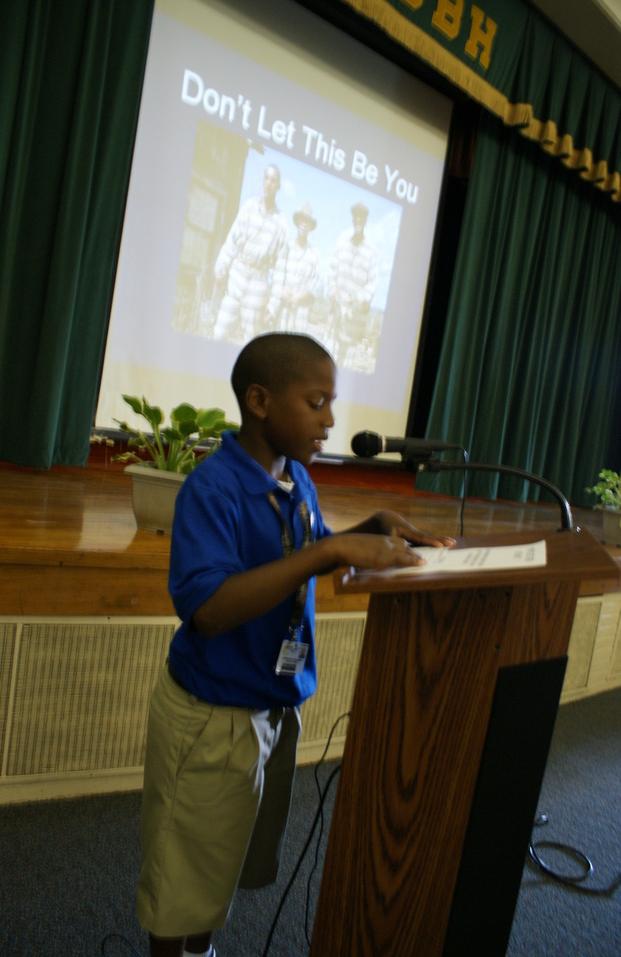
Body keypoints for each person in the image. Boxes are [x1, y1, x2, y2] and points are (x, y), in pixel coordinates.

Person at [136, 332, 455, 957]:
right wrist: (329, 551)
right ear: (259, 400)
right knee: (185, 880)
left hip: (272, 707)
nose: (331, 420)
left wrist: (370, 530)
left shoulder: (296, 479)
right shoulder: (213, 488)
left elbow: (304, 547)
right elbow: (208, 610)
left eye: (332, 402)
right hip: (212, 717)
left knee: (221, 862)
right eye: (317, 402)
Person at [212, 164, 288, 343]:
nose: (268, 184)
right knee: (219, 332)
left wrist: (273, 305)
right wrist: (221, 266)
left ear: (278, 186)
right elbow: (231, 241)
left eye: (273, 180)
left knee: (250, 341)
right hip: (238, 273)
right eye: (266, 178)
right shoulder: (249, 207)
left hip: (258, 282)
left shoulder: (281, 223)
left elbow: (280, 269)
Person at [328, 202, 379, 365]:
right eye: (356, 216)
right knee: (328, 364)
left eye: (361, 217)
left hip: (354, 321)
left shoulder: (371, 252)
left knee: (347, 368)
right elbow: (331, 273)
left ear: (365, 221)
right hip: (335, 318)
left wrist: (355, 299)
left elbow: (372, 285)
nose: (358, 220)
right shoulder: (341, 243)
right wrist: (334, 292)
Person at [269, 201, 319, 333]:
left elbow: (315, 285)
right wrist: (283, 290)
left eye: (307, 222)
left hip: (301, 310)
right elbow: (277, 276)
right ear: (297, 223)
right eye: (301, 221)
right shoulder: (287, 248)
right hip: (284, 306)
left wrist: (299, 297)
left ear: (310, 226)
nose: (303, 225)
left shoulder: (313, 254)